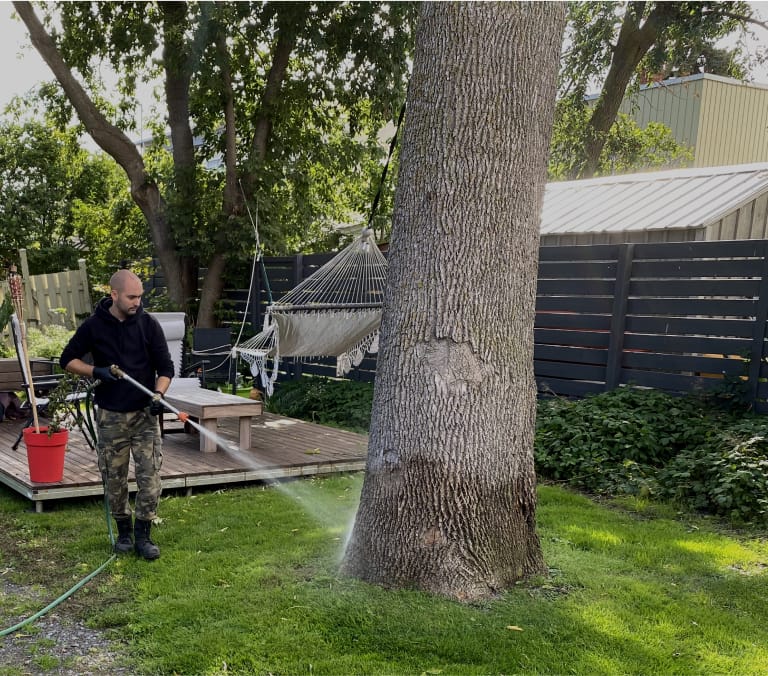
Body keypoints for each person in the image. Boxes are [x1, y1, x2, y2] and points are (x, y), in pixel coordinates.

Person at [60, 270, 175, 560]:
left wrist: (158, 395)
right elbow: (67, 360)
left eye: (140, 296)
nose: (138, 301)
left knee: (150, 478)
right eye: (132, 296)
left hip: (144, 416)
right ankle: (123, 532)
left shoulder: (149, 325)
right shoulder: (94, 326)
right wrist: (95, 371)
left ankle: (143, 536)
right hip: (111, 417)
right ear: (114, 295)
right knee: (115, 478)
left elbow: (166, 369)